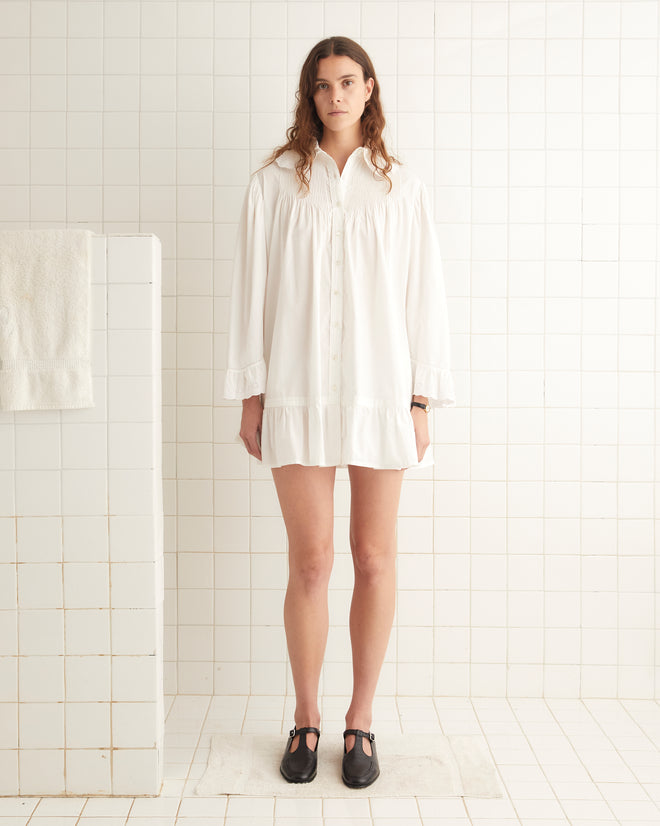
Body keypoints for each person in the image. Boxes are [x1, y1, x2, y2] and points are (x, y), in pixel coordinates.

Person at [224, 36, 456, 789]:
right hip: (295, 390)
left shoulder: (402, 188)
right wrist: (252, 393)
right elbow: (249, 297)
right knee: (312, 561)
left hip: (382, 390)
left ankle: (360, 720)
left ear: (370, 89)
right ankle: (306, 715)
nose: (335, 96)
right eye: (322, 85)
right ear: (309, 95)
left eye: (347, 82)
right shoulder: (274, 187)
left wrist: (420, 398)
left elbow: (426, 298)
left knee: (375, 557)